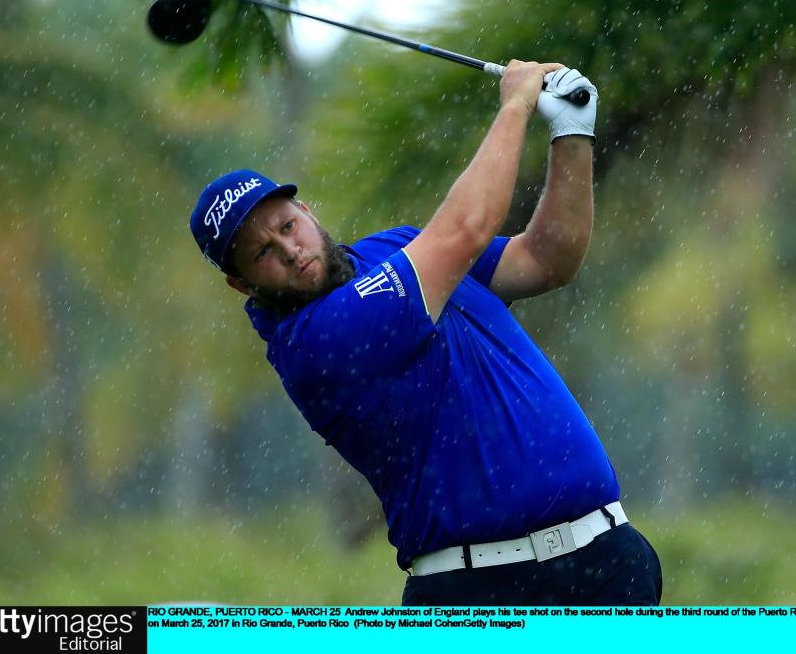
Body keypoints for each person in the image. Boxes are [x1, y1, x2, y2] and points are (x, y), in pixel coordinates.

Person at [190, 61, 662, 605]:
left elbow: (545, 259)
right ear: (239, 283)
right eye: (262, 253)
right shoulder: (314, 341)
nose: (290, 250)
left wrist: (572, 133)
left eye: (287, 226)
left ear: (305, 209)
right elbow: (464, 230)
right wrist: (515, 106)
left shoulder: (393, 247)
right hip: (477, 591)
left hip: (605, 564)